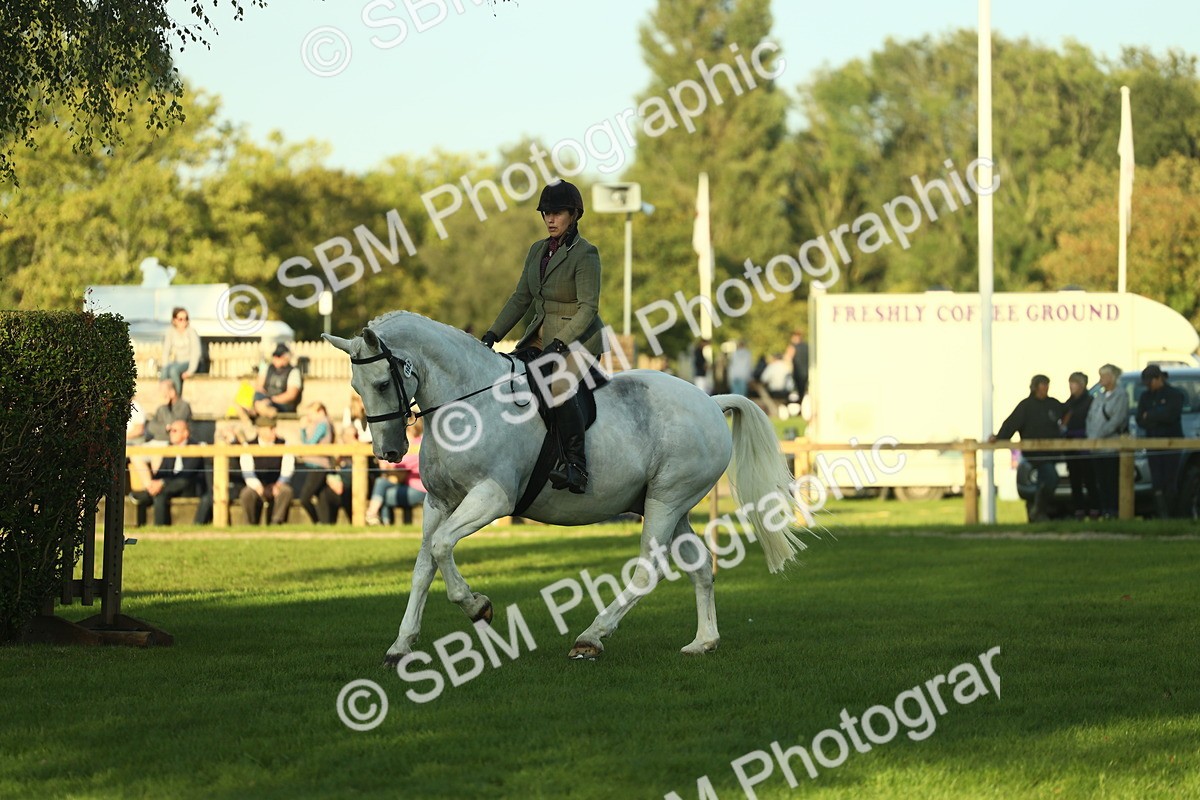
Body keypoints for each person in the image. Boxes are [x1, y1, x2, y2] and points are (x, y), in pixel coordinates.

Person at [479, 179, 605, 494]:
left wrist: (562, 343)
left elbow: (588, 308)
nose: (550, 218)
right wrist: (492, 334)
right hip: (540, 336)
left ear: (574, 214)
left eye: (557, 212)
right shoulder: (537, 250)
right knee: (508, 376)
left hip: (579, 340)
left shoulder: (586, 254)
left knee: (558, 385)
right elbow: (521, 297)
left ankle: (576, 465)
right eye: (546, 212)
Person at [990, 375, 1063, 522]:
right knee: (1051, 478)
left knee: (1046, 481)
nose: (1045, 389)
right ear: (1035, 387)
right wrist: (999, 438)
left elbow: (1067, 413)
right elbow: (1011, 424)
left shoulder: (1053, 404)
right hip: (1035, 455)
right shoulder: (1026, 406)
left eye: (1047, 386)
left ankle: (1038, 511)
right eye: (1043, 386)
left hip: (1052, 454)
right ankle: (1038, 510)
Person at [129, 419, 210, 526]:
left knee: (182, 481)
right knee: (160, 494)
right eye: (170, 431)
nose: (171, 433)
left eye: (175, 431)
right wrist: (155, 483)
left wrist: (162, 483)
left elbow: (187, 473)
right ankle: (160, 527)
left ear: (185, 433)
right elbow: (162, 471)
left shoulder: (194, 447)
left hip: (189, 487)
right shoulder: (169, 448)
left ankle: (146, 495)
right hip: (170, 487)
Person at [1136, 364, 1186, 518]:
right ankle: (1161, 514)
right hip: (1153, 443)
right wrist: (1156, 416)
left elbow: (1171, 416)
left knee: (1170, 480)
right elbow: (1140, 419)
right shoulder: (1145, 396)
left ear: (1158, 379)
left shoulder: (1174, 394)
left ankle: (1172, 514)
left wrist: (1150, 415)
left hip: (1171, 444)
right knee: (1157, 480)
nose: (1148, 386)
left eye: (1150, 382)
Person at [1085, 364, 1130, 519]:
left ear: (1112, 377)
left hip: (1111, 446)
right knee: (1100, 480)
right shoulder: (1099, 397)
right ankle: (1104, 510)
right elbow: (1090, 417)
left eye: (1104, 376)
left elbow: (1117, 420)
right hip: (1096, 448)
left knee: (1112, 479)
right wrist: (1092, 436)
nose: (1101, 379)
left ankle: (1114, 510)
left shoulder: (1121, 396)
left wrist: (1100, 434)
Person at [366, 418, 427, 525]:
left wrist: (385, 463)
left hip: (419, 489)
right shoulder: (413, 444)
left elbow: (402, 463)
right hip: (408, 485)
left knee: (383, 494)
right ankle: (378, 519)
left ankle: (375, 517)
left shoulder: (417, 445)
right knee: (381, 484)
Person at [238, 416, 296, 525]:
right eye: (270, 428)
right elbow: (247, 470)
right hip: (257, 486)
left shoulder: (284, 444)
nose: (274, 431)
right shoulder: (248, 446)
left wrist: (278, 484)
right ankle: (250, 525)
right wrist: (258, 487)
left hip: (277, 484)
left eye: (274, 428)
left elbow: (288, 468)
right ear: (260, 430)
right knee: (246, 494)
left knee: (286, 491)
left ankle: (276, 523)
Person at [1059, 371, 1096, 518]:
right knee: (1074, 478)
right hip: (1070, 444)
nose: (1071, 386)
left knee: (1089, 478)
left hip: (1085, 444)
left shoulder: (1090, 401)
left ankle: (1094, 507)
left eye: (1074, 383)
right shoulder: (1069, 403)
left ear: (1082, 385)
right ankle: (1078, 508)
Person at [296, 401, 337, 524]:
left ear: (320, 412)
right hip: (318, 465)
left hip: (319, 465)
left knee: (305, 498)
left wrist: (303, 429)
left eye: (311, 414)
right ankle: (325, 523)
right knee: (321, 496)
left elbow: (310, 444)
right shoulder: (324, 423)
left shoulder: (322, 423)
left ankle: (317, 521)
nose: (309, 418)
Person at [243, 344, 303, 419]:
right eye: (275, 356)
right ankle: (259, 409)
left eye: (279, 356)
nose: (275, 359)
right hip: (266, 400)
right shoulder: (268, 368)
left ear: (286, 358)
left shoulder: (293, 371)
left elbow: (291, 395)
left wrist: (272, 399)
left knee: (262, 404)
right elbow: (259, 386)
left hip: (281, 404)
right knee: (257, 395)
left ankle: (256, 411)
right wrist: (265, 398)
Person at [161, 306, 202, 397]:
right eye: (181, 319)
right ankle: (164, 396)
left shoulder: (191, 332)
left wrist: (190, 371)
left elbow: (196, 353)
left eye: (186, 318)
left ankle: (177, 397)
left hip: (189, 362)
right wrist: (165, 366)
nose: (184, 321)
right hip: (178, 362)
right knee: (165, 370)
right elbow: (166, 351)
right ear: (174, 320)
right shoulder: (170, 332)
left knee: (174, 370)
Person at [787, 330, 809, 402]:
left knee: (797, 392)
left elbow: (788, 358)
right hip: (806, 373)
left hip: (797, 373)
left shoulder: (793, 347)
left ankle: (799, 405)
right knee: (803, 391)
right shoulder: (807, 347)